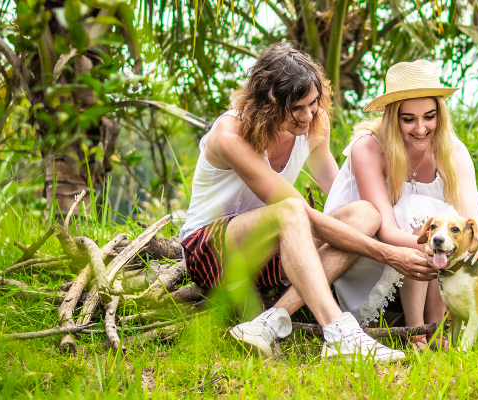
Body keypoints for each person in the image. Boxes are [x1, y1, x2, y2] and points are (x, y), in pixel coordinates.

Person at [177, 43, 431, 362]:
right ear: (267, 103)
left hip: (277, 249)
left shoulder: (313, 122)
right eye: (297, 108)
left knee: (365, 212)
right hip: (212, 253)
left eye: (313, 103)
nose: (308, 115)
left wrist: (398, 223)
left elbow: (339, 190)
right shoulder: (230, 135)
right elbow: (302, 215)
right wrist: (387, 253)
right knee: (292, 209)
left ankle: (269, 321)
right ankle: (338, 330)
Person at [323, 60, 478, 350]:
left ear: (440, 113)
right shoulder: (370, 147)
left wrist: (476, 242)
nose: (421, 128)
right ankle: (414, 329)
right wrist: (433, 243)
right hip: (366, 250)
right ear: (392, 116)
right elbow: (386, 230)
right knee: (424, 216)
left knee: (441, 223)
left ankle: (436, 325)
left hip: (424, 249)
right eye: (408, 118)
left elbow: (476, 220)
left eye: (429, 116)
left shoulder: (452, 150)